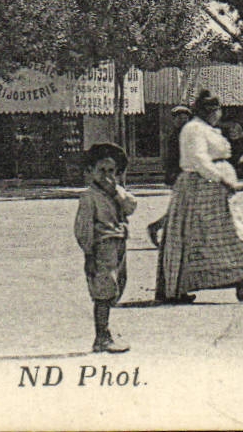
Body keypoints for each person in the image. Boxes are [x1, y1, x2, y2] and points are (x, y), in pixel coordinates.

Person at [155, 90, 243, 304]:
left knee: (213, 236)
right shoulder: (194, 129)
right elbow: (199, 159)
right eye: (216, 110)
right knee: (222, 234)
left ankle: (240, 283)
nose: (218, 114)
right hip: (201, 187)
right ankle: (238, 284)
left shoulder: (206, 129)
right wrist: (221, 179)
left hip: (210, 189)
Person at [75, 141, 138, 353]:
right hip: (102, 246)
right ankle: (102, 335)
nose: (106, 176)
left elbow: (131, 207)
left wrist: (116, 193)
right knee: (104, 289)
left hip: (119, 243)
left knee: (118, 285)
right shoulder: (89, 197)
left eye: (111, 171)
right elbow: (83, 228)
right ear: (90, 172)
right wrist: (89, 252)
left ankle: (106, 329)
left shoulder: (117, 192)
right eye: (101, 171)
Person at [146, 104, 191, 247]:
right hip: (180, 176)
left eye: (185, 118)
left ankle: (159, 228)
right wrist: (171, 175)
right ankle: (158, 227)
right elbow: (172, 159)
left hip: (185, 175)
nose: (182, 120)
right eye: (179, 118)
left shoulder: (185, 135)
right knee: (182, 209)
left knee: (182, 208)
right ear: (175, 120)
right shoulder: (175, 136)